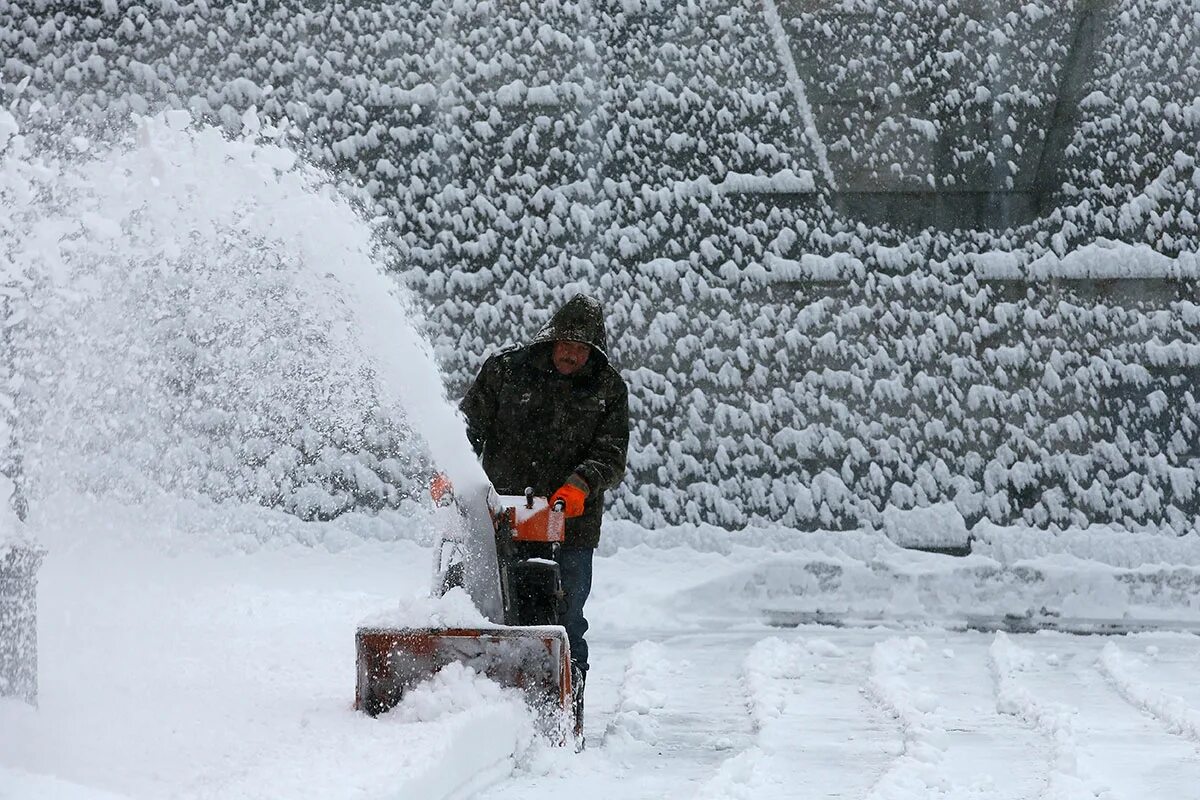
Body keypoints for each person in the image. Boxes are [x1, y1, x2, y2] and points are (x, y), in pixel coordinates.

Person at [458, 293, 629, 727]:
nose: (572, 353)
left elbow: (611, 454)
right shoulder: (505, 371)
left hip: (571, 525)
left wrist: (580, 485)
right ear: (551, 338)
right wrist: (450, 469)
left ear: (595, 350)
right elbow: (466, 427)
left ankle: (566, 713)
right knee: (491, 611)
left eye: (582, 347)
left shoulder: (608, 388)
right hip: (502, 519)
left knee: (566, 617)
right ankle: (478, 706)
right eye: (566, 342)